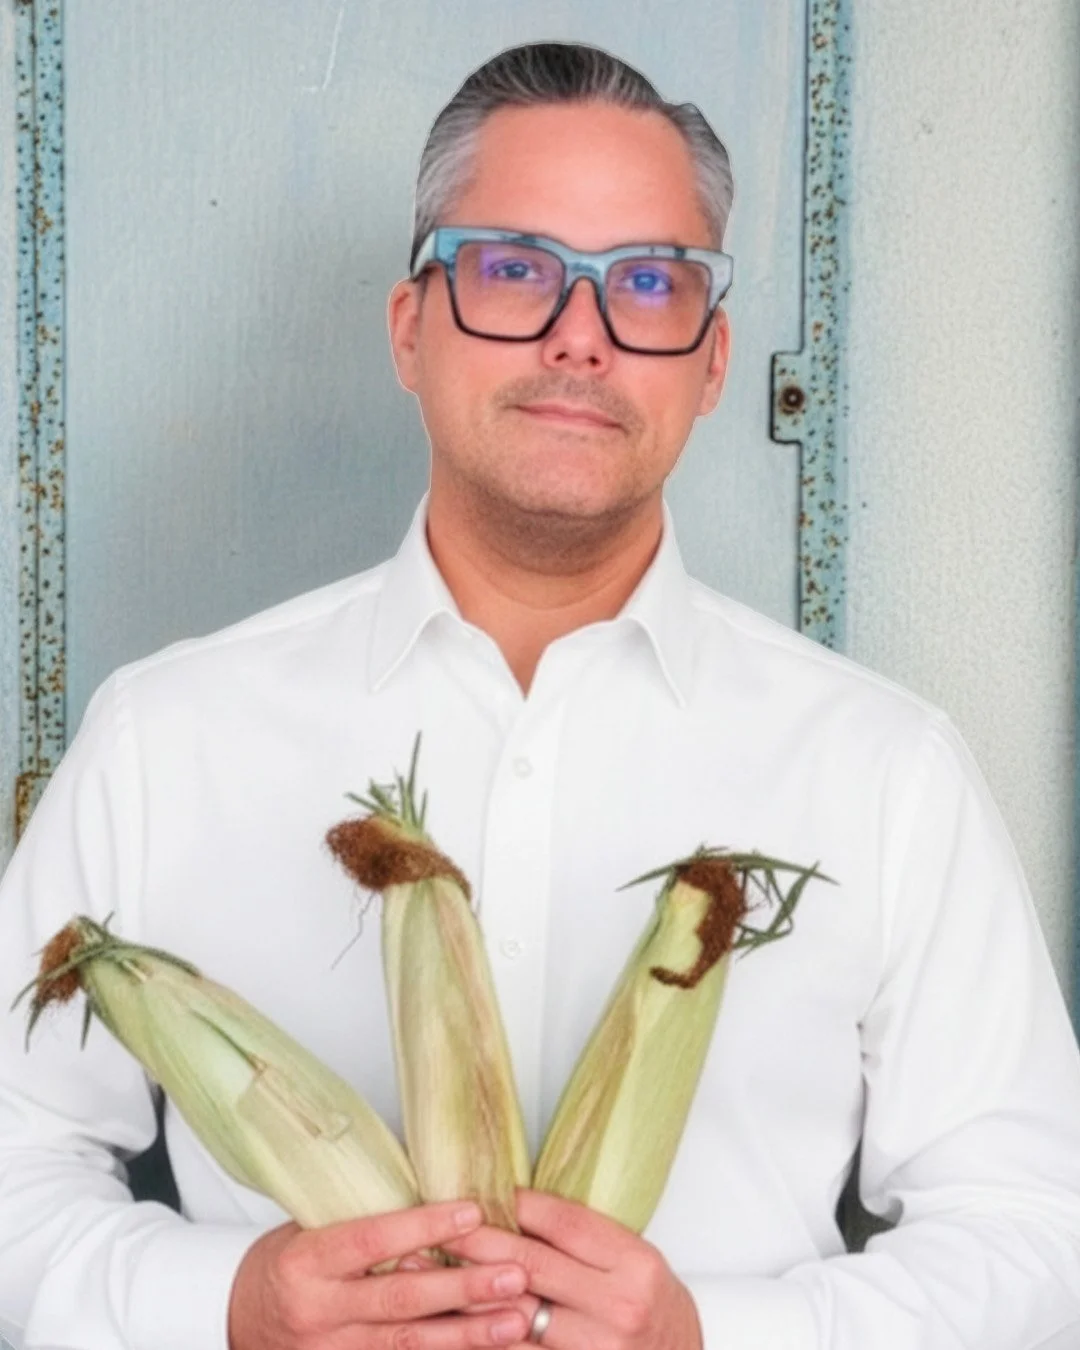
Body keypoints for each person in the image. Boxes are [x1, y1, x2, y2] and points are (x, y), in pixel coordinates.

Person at [2, 39, 1080, 1350]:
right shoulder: (167, 741)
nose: (582, 336)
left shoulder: (882, 770)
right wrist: (229, 1304)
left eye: (648, 282)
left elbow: (1033, 1231)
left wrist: (712, 1335)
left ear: (714, 360)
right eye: (515, 270)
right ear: (411, 328)